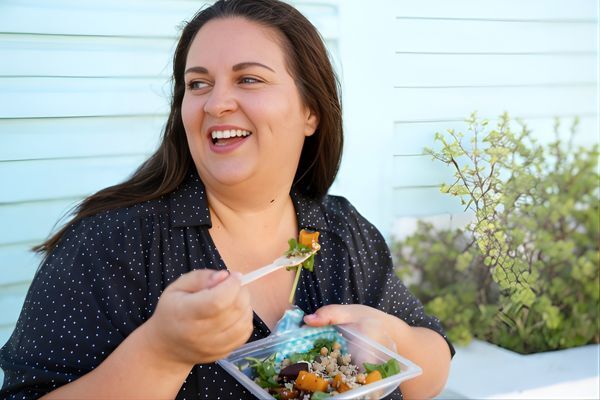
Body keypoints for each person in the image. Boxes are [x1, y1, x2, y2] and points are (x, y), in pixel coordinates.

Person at [0, 0, 453, 398]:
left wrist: (392, 341)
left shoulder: (344, 234)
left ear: (310, 111)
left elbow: (432, 366)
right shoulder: (112, 247)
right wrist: (161, 353)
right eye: (198, 84)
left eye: (249, 79)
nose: (216, 103)